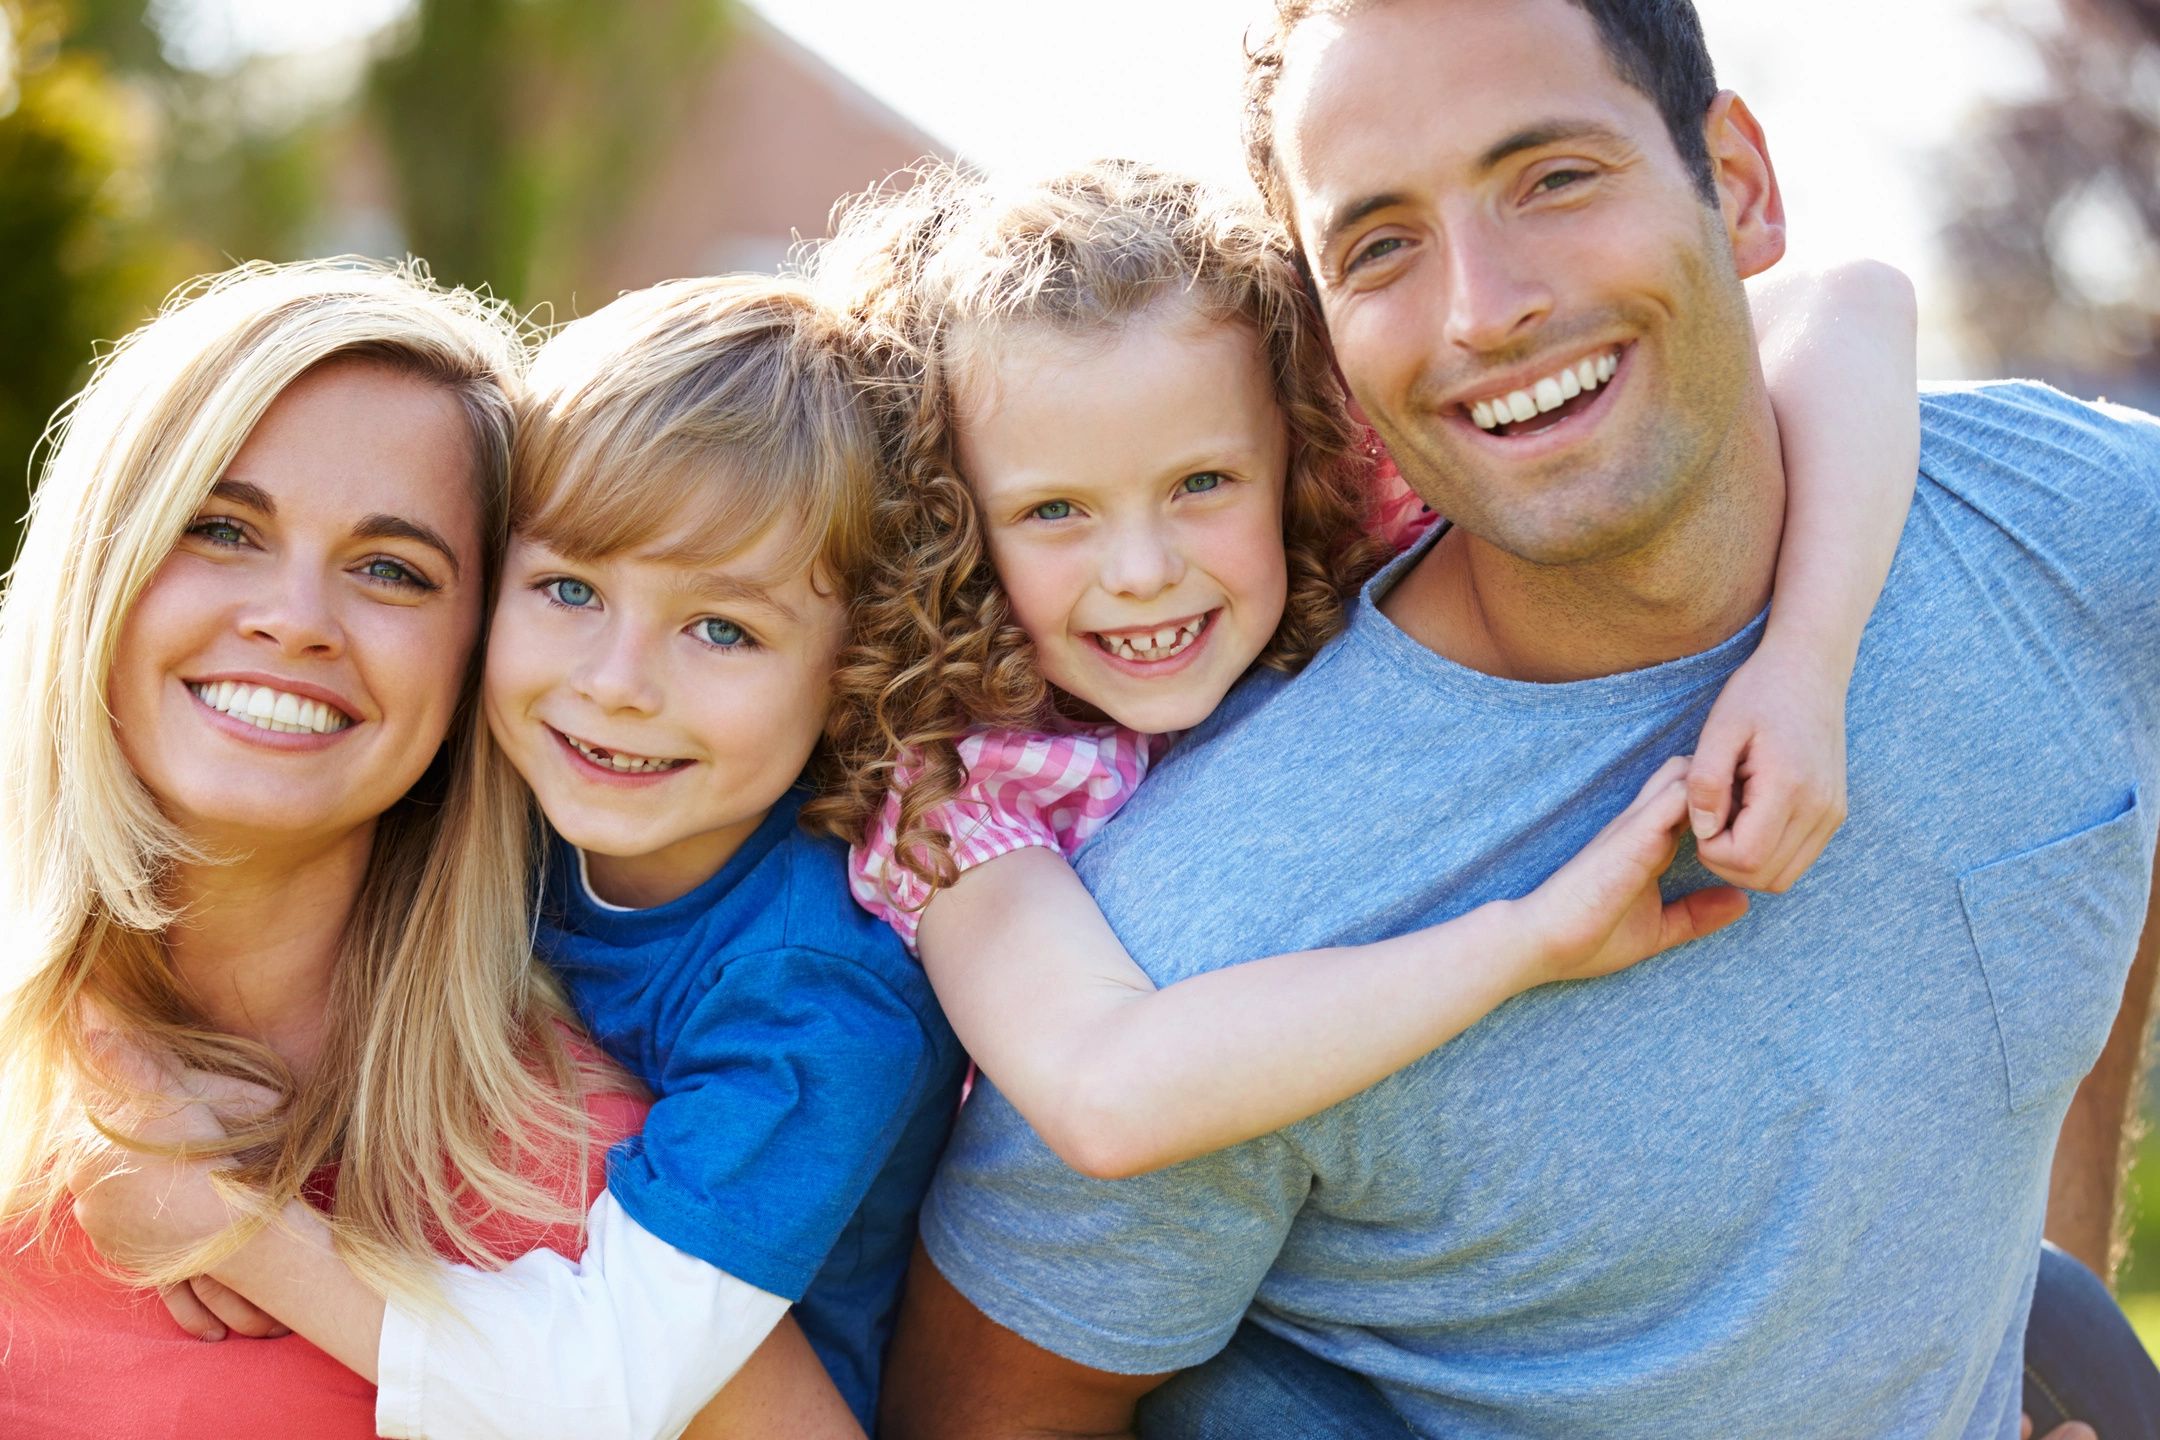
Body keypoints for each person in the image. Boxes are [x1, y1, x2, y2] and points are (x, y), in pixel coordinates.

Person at [875, 3, 2160, 1437]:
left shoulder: (2075, 539)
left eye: (1554, 176)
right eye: (1381, 245)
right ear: (1334, 348)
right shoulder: (1196, 946)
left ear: (1734, 182)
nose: (1485, 309)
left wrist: (2042, 1309)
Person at [811, 159, 1918, 1183]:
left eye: (1203, 483)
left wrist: (1805, 664)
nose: (1144, 571)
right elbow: (1105, 1093)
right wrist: (1526, 941)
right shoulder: (962, 789)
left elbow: (1848, 301)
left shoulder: (1350, 508)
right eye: (1054, 511)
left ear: (1292, 446)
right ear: (949, 525)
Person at [67, 274, 965, 1440]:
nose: (615, 682)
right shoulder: (539, 803)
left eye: (722, 628)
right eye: (570, 589)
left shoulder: (816, 998)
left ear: (855, 672)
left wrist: (221, 1221)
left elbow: (600, 1394)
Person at [0, 260, 642, 1438]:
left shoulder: (576, 1174)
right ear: (103, 563)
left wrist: (244, 1232)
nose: (295, 618)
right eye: (223, 527)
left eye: (392, 570)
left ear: (479, 658)